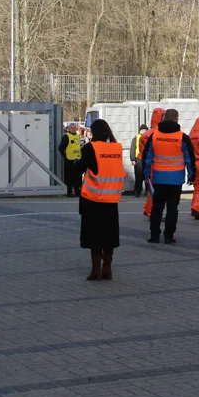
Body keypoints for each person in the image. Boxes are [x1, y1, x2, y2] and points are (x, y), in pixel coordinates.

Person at [79, 119, 124, 280]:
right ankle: (107, 268)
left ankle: (96, 270)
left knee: (94, 235)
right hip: (112, 199)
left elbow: (79, 167)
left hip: (93, 199)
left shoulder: (91, 148)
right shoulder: (117, 148)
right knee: (110, 235)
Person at [143, 108, 195, 243]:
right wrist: (191, 175)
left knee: (157, 208)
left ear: (163, 118)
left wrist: (146, 174)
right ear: (177, 119)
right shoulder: (182, 137)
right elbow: (190, 158)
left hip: (158, 178)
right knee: (172, 208)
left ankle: (154, 235)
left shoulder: (154, 136)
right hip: (176, 179)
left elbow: (147, 157)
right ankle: (168, 235)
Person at [142, 108, 164, 217]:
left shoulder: (148, 133)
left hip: (149, 164)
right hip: (154, 165)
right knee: (154, 190)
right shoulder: (156, 134)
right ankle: (151, 210)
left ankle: (148, 209)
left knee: (151, 189)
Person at [58, 123, 83, 198]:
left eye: (74, 128)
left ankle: (77, 192)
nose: (73, 129)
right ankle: (69, 192)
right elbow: (61, 148)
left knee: (77, 177)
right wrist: (65, 156)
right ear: (68, 128)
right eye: (71, 128)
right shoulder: (66, 136)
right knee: (69, 177)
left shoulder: (77, 136)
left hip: (77, 159)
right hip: (69, 160)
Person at [129, 123, 148, 197]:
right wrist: (133, 159)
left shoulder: (149, 137)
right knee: (138, 176)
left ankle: (147, 191)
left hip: (146, 159)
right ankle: (137, 191)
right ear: (140, 131)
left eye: (145, 130)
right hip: (138, 159)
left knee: (147, 176)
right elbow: (132, 149)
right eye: (142, 130)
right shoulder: (136, 138)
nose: (144, 131)